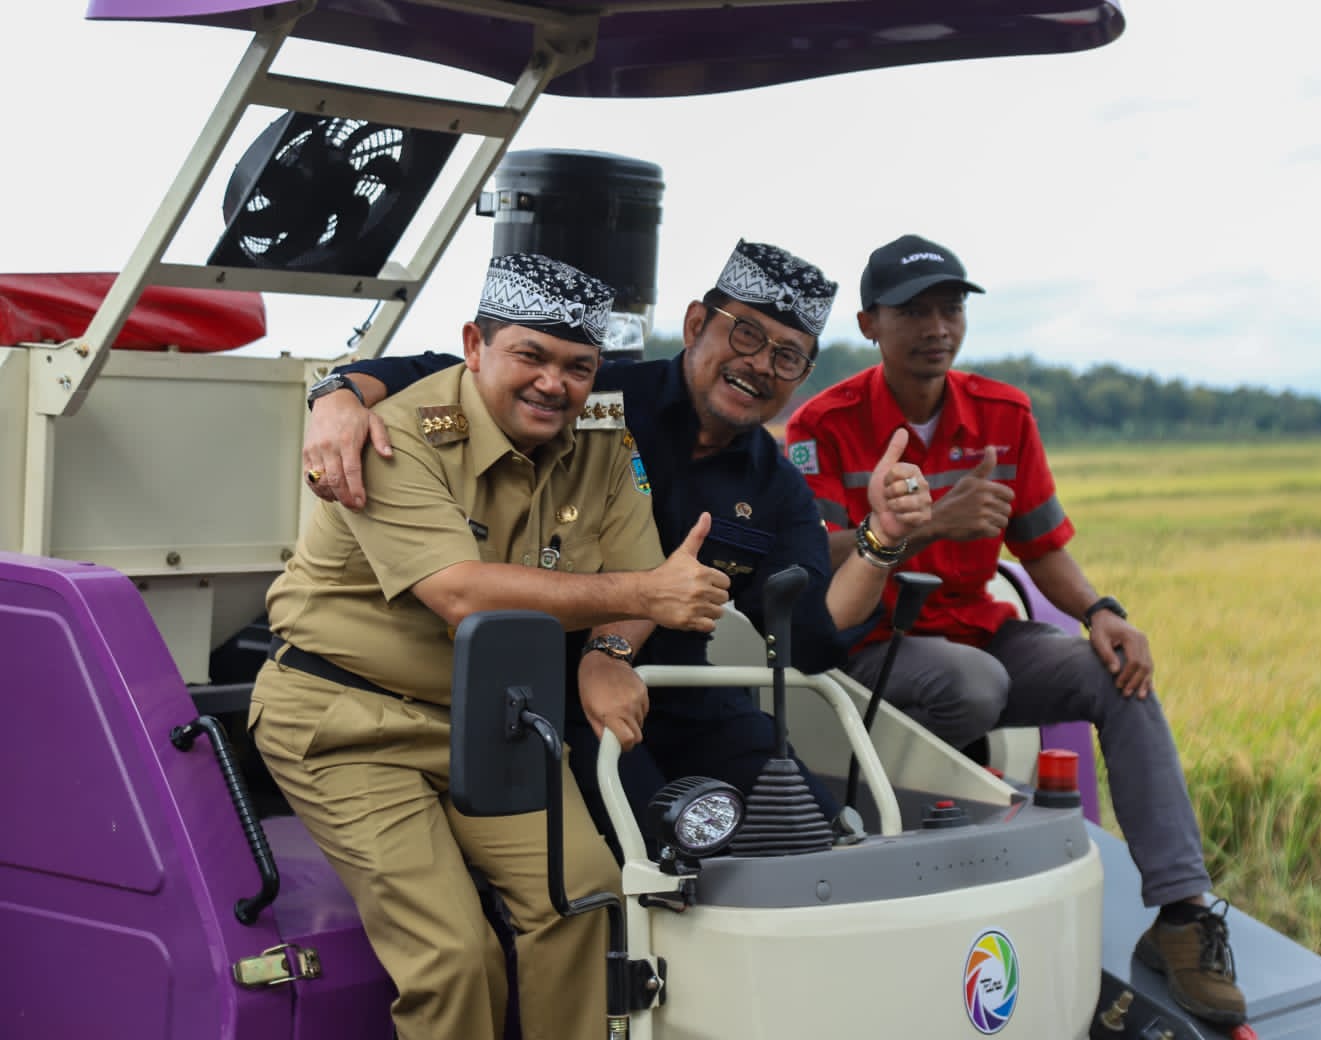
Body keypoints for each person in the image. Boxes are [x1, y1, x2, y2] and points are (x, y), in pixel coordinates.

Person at [254, 252, 735, 1040]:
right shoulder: (396, 431)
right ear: (474, 345)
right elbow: (462, 592)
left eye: (578, 366)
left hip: (494, 719)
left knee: (582, 897)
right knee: (453, 956)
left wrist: (608, 652)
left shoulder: (604, 438)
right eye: (531, 356)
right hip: (348, 720)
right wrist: (640, 599)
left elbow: (642, 566)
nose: (555, 383)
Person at [301, 239, 931, 836]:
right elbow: (466, 371)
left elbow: (811, 638)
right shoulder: (597, 395)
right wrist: (337, 394)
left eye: (787, 356)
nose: (760, 365)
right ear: (694, 326)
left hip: (675, 690)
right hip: (546, 686)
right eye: (745, 334)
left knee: (808, 829)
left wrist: (880, 539)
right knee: (658, 848)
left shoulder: (778, 487)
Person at [783, 234, 1247, 1027]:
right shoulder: (822, 424)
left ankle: (1179, 915)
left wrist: (1103, 613)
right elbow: (818, 565)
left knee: (1116, 675)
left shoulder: (1003, 415)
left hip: (979, 628)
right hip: (867, 646)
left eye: (951, 308)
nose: (938, 326)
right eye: (915, 311)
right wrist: (932, 524)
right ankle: (930, 852)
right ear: (868, 324)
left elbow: (1044, 546)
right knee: (975, 684)